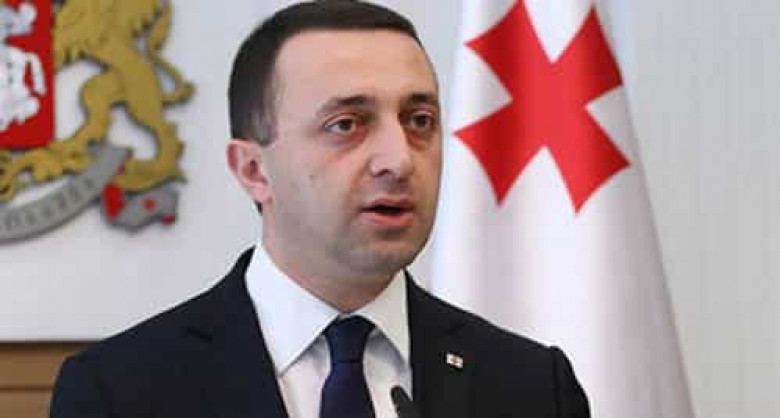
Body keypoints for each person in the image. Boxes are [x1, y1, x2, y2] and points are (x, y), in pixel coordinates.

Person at [50, 1, 590, 417]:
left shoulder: (532, 386)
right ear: (253, 170)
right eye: (346, 125)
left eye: (419, 121)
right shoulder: (120, 392)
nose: (399, 160)